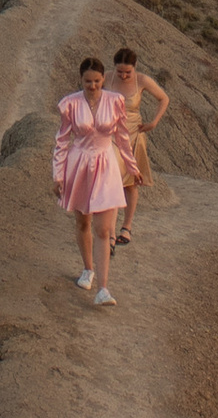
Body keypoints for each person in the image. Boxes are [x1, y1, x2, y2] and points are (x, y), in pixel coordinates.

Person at [51, 55, 132, 302]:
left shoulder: (115, 100)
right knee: (83, 223)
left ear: (103, 79)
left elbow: (123, 136)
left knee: (103, 228)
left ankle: (103, 288)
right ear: (81, 80)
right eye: (88, 81)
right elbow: (62, 140)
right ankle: (88, 270)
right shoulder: (70, 104)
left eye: (97, 81)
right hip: (80, 164)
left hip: (106, 164)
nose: (93, 86)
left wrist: (131, 165)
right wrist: (58, 174)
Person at [109, 46, 169, 245]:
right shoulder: (107, 78)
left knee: (131, 183)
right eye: (120, 72)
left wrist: (154, 122)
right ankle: (109, 229)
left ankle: (126, 227)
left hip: (134, 133)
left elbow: (163, 98)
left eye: (128, 72)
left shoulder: (142, 80)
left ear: (135, 68)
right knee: (112, 179)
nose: (124, 75)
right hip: (110, 134)